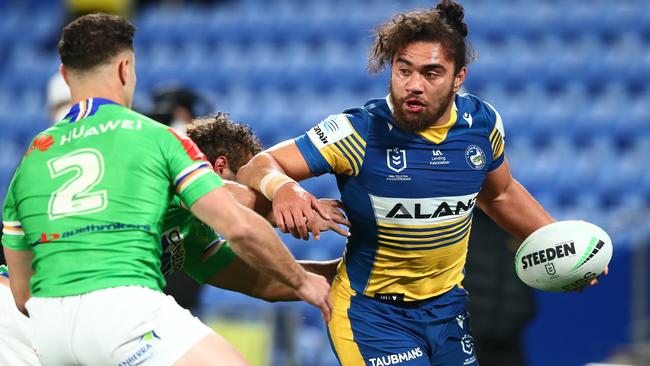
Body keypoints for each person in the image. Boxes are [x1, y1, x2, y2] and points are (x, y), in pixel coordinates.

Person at [236, 1, 605, 365]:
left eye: (431, 74)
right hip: (372, 315)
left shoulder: (482, 125)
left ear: (458, 77)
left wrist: (564, 245)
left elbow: (502, 195)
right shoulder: (356, 132)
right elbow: (258, 165)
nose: (414, 85)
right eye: (403, 70)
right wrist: (284, 188)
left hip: (447, 308)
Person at [1, 13, 330, 366]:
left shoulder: (34, 157)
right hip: (117, 300)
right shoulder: (155, 138)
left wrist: (338, 273)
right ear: (126, 69)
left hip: (36, 321)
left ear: (65, 77)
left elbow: (23, 290)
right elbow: (237, 220)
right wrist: (303, 278)